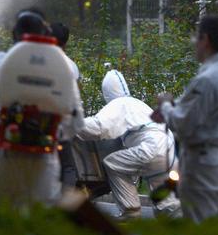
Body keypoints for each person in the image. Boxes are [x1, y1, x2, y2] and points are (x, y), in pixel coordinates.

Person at [0, 9, 84, 206]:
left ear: (13, 33)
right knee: (38, 216)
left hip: (0, 155)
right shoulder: (63, 67)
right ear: (45, 34)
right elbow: (75, 122)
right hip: (43, 159)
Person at [151, 15, 218, 222]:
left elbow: (184, 123)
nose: (195, 44)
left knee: (200, 229)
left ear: (206, 40)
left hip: (204, 166)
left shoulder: (208, 78)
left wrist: (166, 105)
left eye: (197, 38)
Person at [76, 70, 181, 219]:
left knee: (112, 163)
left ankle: (130, 211)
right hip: (168, 147)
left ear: (107, 92)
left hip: (151, 147)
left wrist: (73, 123)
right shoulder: (137, 103)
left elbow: (98, 127)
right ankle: (180, 227)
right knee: (167, 202)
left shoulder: (119, 104)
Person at [50, 21, 80, 194]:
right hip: (62, 123)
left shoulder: (39, 61)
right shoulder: (71, 66)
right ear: (65, 42)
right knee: (68, 167)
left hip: (39, 120)